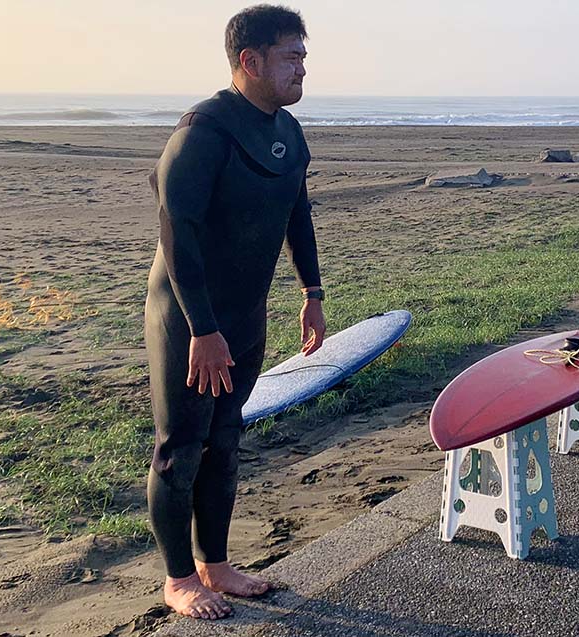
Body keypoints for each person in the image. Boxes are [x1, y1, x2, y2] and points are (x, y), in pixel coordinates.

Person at [144, 4, 325, 621]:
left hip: (245, 315)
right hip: (188, 319)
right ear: (250, 60)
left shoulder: (288, 132)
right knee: (181, 447)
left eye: (303, 56)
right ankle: (177, 579)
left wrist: (312, 295)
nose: (302, 69)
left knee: (225, 438)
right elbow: (177, 235)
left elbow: (296, 215)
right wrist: (202, 329)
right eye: (291, 57)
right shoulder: (202, 133)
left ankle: (215, 565)